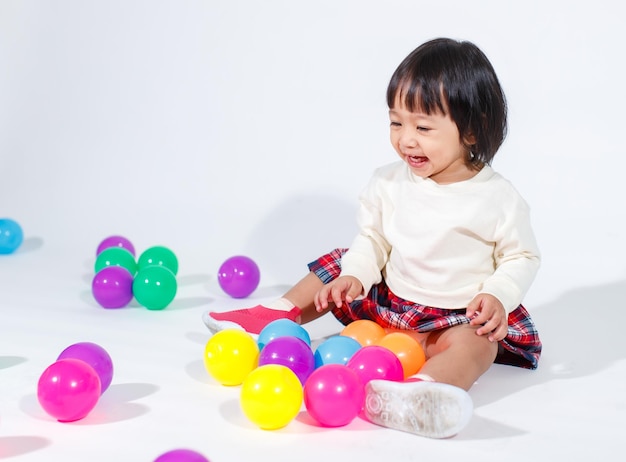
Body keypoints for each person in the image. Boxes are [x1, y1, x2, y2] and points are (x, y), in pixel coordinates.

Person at [203, 37, 541, 439]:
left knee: (477, 345)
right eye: (396, 122)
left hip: (453, 317)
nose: (406, 139)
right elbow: (374, 239)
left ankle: (422, 393)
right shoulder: (388, 182)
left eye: (423, 127)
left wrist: (499, 295)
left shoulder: (498, 197)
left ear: (471, 131)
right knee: (340, 261)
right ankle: (280, 312)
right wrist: (358, 275)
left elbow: (521, 256)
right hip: (390, 304)